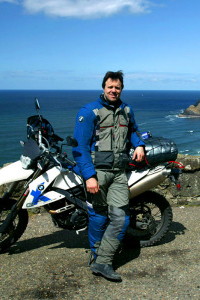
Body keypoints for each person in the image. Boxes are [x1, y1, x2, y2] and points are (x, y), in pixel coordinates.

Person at [72, 71, 145, 281]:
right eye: (110, 87)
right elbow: (80, 149)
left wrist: (139, 145)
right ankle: (98, 258)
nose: (114, 91)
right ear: (103, 87)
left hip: (119, 173)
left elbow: (134, 131)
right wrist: (89, 176)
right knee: (98, 216)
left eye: (118, 87)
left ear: (122, 89)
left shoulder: (127, 110)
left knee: (121, 219)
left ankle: (102, 261)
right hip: (98, 173)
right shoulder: (89, 112)